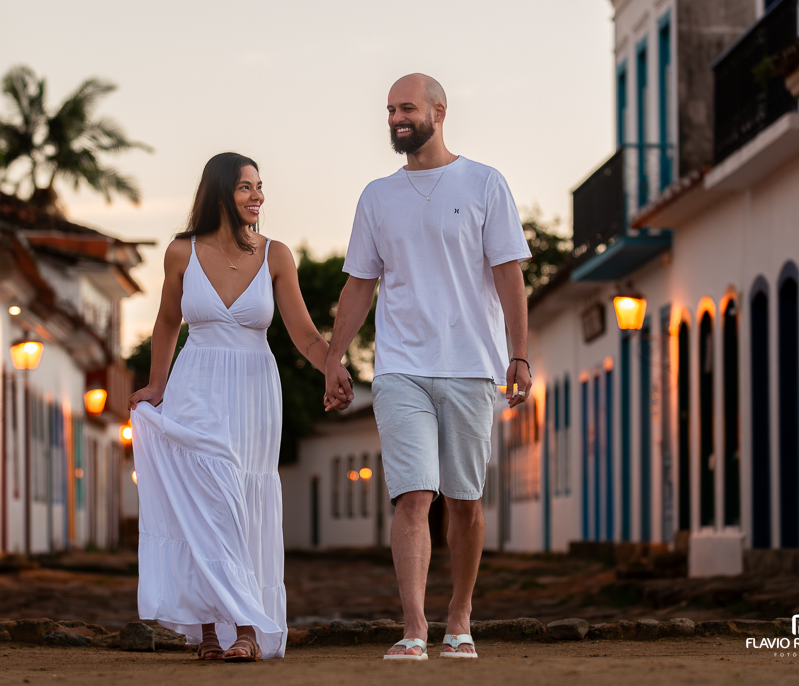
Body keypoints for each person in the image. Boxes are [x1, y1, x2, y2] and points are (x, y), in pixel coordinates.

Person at [323, 74, 532, 661]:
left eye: (406, 108)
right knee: (413, 496)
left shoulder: (485, 182)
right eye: (389, 110)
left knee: (464, 499)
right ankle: (413, 625)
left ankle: (459, 617)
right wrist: (335, 358)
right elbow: (359, 284)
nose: (395, 118)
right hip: (400, 368)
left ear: (439, 111)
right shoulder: (376, 196)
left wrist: (518, 354)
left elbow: (509, 274)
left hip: (470, 365)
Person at [129, 152, 353, 662]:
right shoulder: (180, 253)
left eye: (260, 187)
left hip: (254, 390)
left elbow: (302, 332)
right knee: (206, 501)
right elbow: (167, 322)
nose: (258, 196)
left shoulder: (276, 255)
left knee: (244, 501)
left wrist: (332, 365)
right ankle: (208, 630)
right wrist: (156, 384)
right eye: (246, 187)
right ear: (220, 193)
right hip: (196, 384)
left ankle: (248, 629)